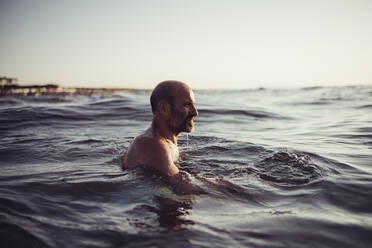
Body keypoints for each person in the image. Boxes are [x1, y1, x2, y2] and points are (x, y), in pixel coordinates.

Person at [123, 80, 198, 179]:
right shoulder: (152, 144)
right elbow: (183, 187)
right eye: (187, 105)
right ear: (164, 109)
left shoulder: (165, 144)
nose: (195, 112)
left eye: (193, 105)